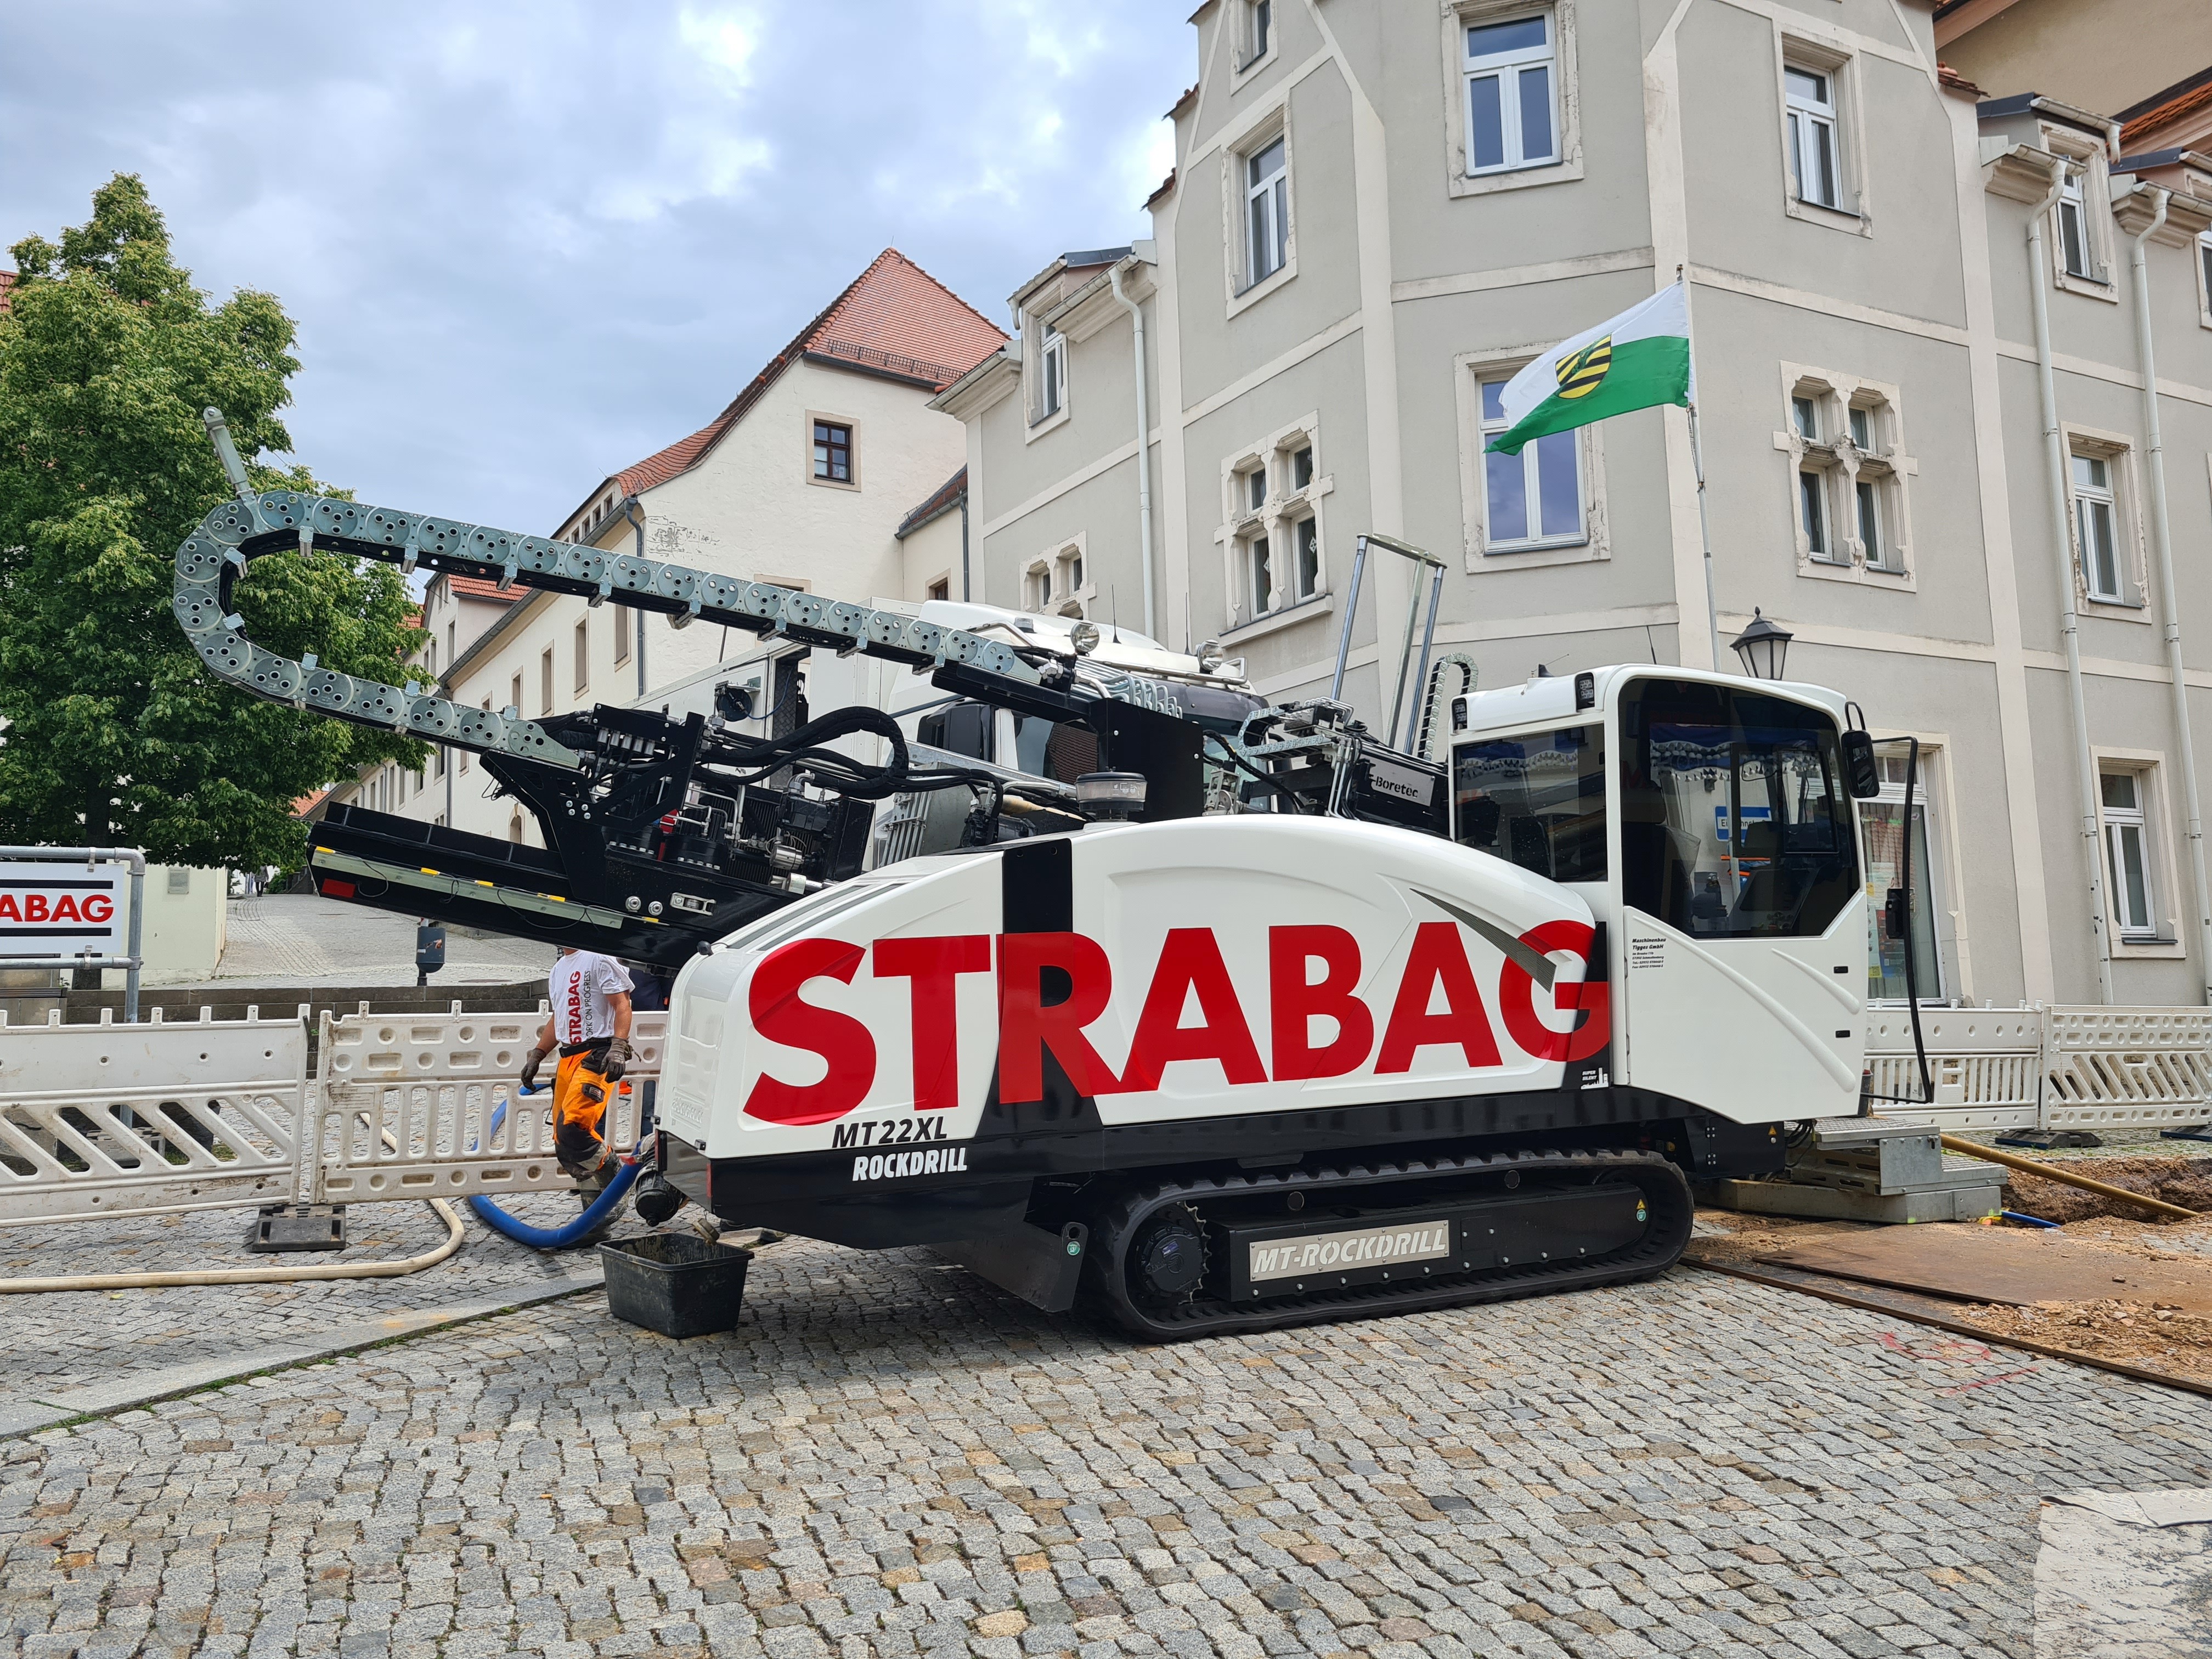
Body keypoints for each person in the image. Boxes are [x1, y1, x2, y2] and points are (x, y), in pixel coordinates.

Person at [520, 947, 635, 1191]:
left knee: (573, 1129)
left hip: (597, 1053)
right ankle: (596, 1218)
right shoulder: (559, 968)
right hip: (569, 1056)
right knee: (564, 1143)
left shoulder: (600, 958)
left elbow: (622, 1004)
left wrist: (618, 1046)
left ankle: (615, 1178)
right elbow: (558, 1017)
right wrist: (538, 1055)